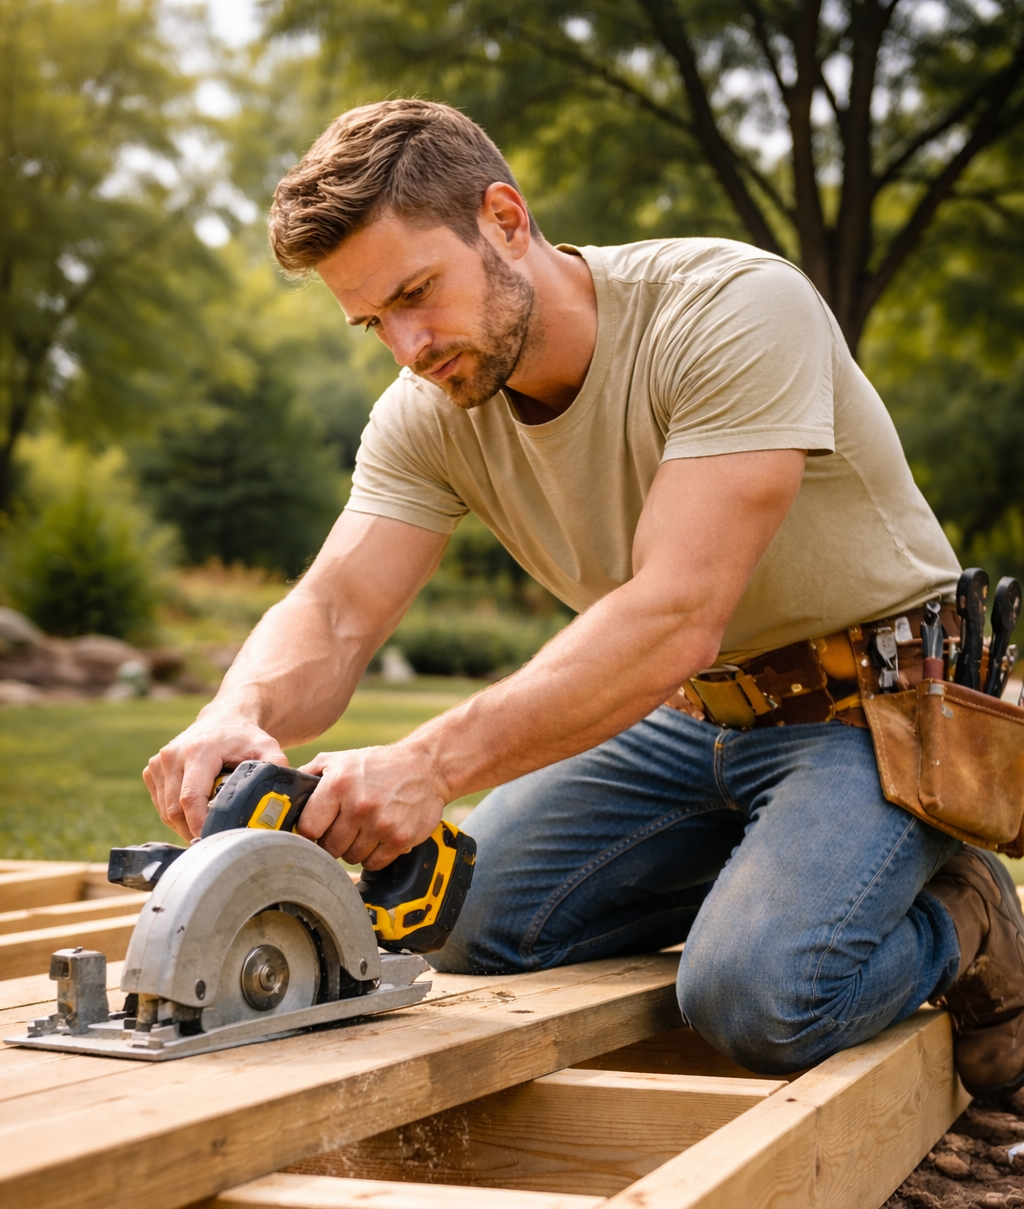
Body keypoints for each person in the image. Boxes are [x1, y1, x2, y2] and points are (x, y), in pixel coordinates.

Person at [144, 99, 1024, 1092]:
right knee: (468, 920)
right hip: (687, 717)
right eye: (372, 321)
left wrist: (429, 764)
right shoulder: (429, 407)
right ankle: (788, 884)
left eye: (418, 292)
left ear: (506, 221)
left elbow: (675, 612)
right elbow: (338, 610)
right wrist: (239, 708)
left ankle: (966, 914)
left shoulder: (731, 309)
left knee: (755, 995)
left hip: (881, 711)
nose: (407, 346)